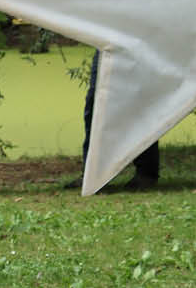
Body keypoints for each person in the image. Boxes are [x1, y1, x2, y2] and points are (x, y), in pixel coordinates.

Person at [63, 50, 160, 191]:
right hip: (108, 42)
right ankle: (92, 174)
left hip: (139, 42)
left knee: (139, 101)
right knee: (95, 101)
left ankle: (146, 173)